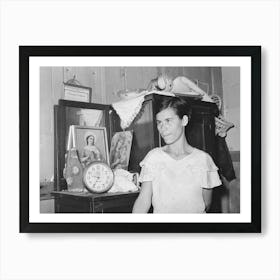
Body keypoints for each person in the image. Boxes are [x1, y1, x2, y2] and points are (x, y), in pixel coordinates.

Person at [132, 96, 222, 213]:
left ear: (184, 120)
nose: (163, 128)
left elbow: (206, 204)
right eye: (159, 123)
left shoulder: (203, 160)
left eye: (168, 120)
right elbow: (143, 200)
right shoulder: (153, 157)